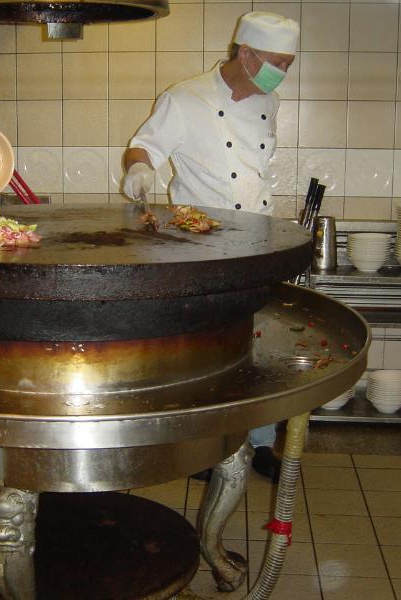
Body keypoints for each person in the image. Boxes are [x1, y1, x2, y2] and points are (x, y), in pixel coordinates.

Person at [121, 11, 300, 482]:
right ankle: (200, 445)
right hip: (198, 243)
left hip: (256, 239)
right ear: (247, 53)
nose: (282, 73)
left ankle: (260, 441)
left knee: (257, 341)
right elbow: (144, 147)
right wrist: (139, 169)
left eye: (288, 64)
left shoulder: (271, 102)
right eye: (277, 63)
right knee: (203, 347)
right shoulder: (185, 98)